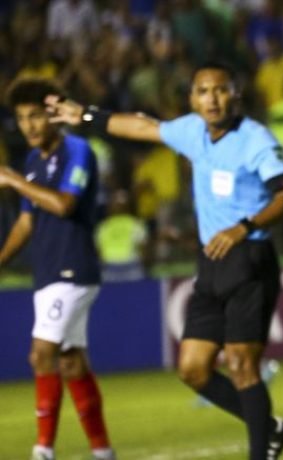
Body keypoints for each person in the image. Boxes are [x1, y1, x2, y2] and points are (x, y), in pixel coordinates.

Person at [45, 62, 283, 459]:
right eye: (203, 91)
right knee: (193, 369)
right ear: (192, 98)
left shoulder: (256, 141)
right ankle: (270, 428)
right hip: (211, 263)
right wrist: (86, 116)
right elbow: (142, 127)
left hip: (250, 258)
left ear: (235, 94)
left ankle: (260, 449)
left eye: (220, 90)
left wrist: (244, 227)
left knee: (241, 364)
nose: (211, 98)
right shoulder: (192, 132)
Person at [0, 78, 114, 460]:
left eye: (35, 116)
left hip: (74, 269)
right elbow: (26, 224)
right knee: (70, 361)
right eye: (21, 119)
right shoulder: (33, 162)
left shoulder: (77, 150)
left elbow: (65, 204)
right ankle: (102, 451)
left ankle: (43, 450)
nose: (29, 126)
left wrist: (15, 181)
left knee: (41, 353)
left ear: (52, 115)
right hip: (47, 273)